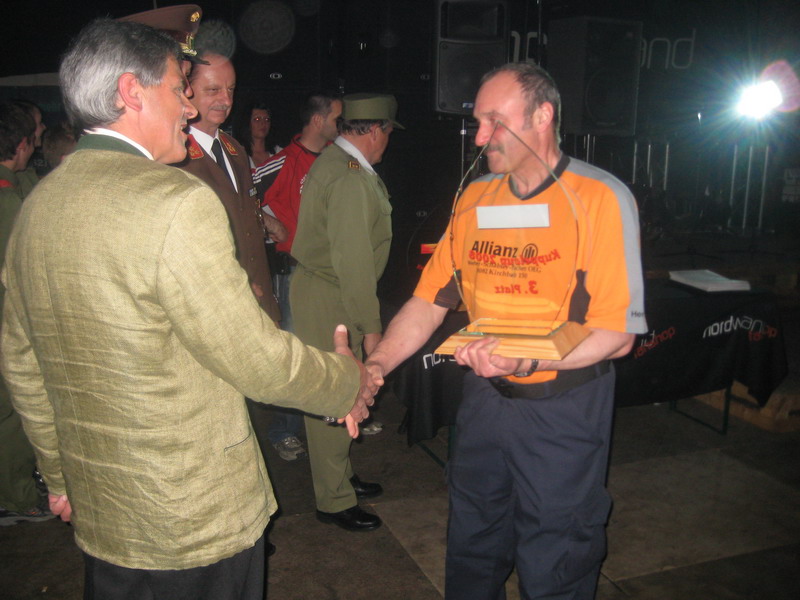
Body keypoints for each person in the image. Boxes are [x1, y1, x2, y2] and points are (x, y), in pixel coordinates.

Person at [0, 19, 375, 599]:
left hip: (103, 511)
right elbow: (253, 359)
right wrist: (347, 383)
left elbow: (23, 367)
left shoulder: (38, 206)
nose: (191, 108)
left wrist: (59, 477)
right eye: (180, 89)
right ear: (132, 92)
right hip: (192, 517)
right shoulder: (174, 201)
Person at [364, 63, 647, 599]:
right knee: (472, 542)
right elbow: (427, 302)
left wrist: (527, 361)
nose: (481, 137)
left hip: (563, 408)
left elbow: (617, 334)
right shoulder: (476, 198)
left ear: (543, 116)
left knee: (558, 555)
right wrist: (375, 367)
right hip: (485, 401)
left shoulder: (600, 198)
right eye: (478, 122)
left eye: (496, 121)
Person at [291, 93, 402, 531]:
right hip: (332, 295)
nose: (388, 140)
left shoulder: (343, 164)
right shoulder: (350, 177)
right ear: (375, 130)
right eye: (388, 131)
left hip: (330, 290)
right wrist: (371, 329)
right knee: (331, 393)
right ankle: (334, 499)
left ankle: (340, 474)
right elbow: (353, 262)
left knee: (343, 388)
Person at [250, 92, 342, 461]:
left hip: (334, 272)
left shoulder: (339, 159)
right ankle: (283, 430)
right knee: (296, 352)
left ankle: (338, 411)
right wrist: (271, 226)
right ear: (318, 121)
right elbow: (241, 200)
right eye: (336, 118)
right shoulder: (282, 163)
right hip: (296, 274)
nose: (341, 125)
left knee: (334, 346)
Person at [0, 101, 51, 526]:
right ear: (20, 145)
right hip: (9, 323)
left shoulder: (16, 188)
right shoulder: (8, 200)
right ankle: (16, 497)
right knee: (12, 414)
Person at [239, 101, 281, 168]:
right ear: (248, 123)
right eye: (257, 119)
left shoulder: (280, 153)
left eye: (266, 119)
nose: (263, 123)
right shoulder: (238, 154)